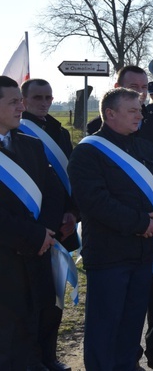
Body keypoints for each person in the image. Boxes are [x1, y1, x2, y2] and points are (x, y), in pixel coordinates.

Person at [86, 66, 153, 371]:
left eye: (145, 88)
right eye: (135, 88)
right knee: (116, 314)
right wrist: (140, 221)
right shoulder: (95, 135)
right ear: (117, 90)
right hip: (119, 239)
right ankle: (124, 360)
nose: (142, 95)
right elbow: (98, 195)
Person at [0, 76, 62, 371]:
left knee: (38, 317)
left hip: (38, 252)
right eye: (13, 102)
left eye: (20, 101)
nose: (21, 108)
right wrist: (33, 235)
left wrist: (45, 233)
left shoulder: (31, 145)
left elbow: (52, 193)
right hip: (6, 256)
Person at [20, 78, 78, 371]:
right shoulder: (19, 131)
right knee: (34, 300)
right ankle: (33, 358)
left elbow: (67, 178)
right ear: (24, 100)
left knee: (56, 298)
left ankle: (50, 355)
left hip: (61, 223)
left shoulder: (59, 131)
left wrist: (71, 212)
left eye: (49, 97)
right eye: (38, 97)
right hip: (32, 228)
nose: (44, 103)